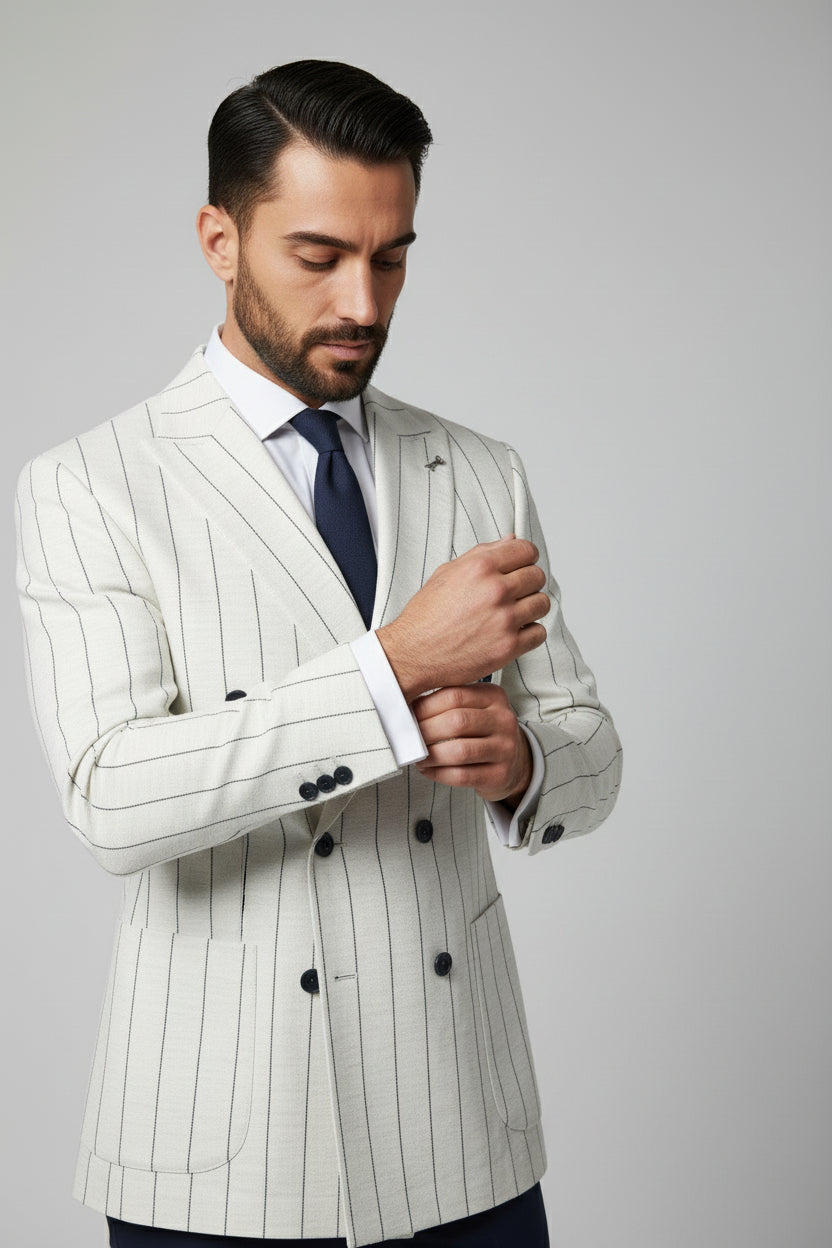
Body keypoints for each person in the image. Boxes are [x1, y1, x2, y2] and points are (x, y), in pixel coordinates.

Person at [14, 60, 622, 1248]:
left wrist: (523, 763)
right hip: (221, 1139)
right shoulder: (91, 484)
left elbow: (590, 752)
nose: (363, 301)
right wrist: (393, 670)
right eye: (319, 256)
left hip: (461, 1120)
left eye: (391, 257)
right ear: (220, 240)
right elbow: (111, 799)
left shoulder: (478, 470)